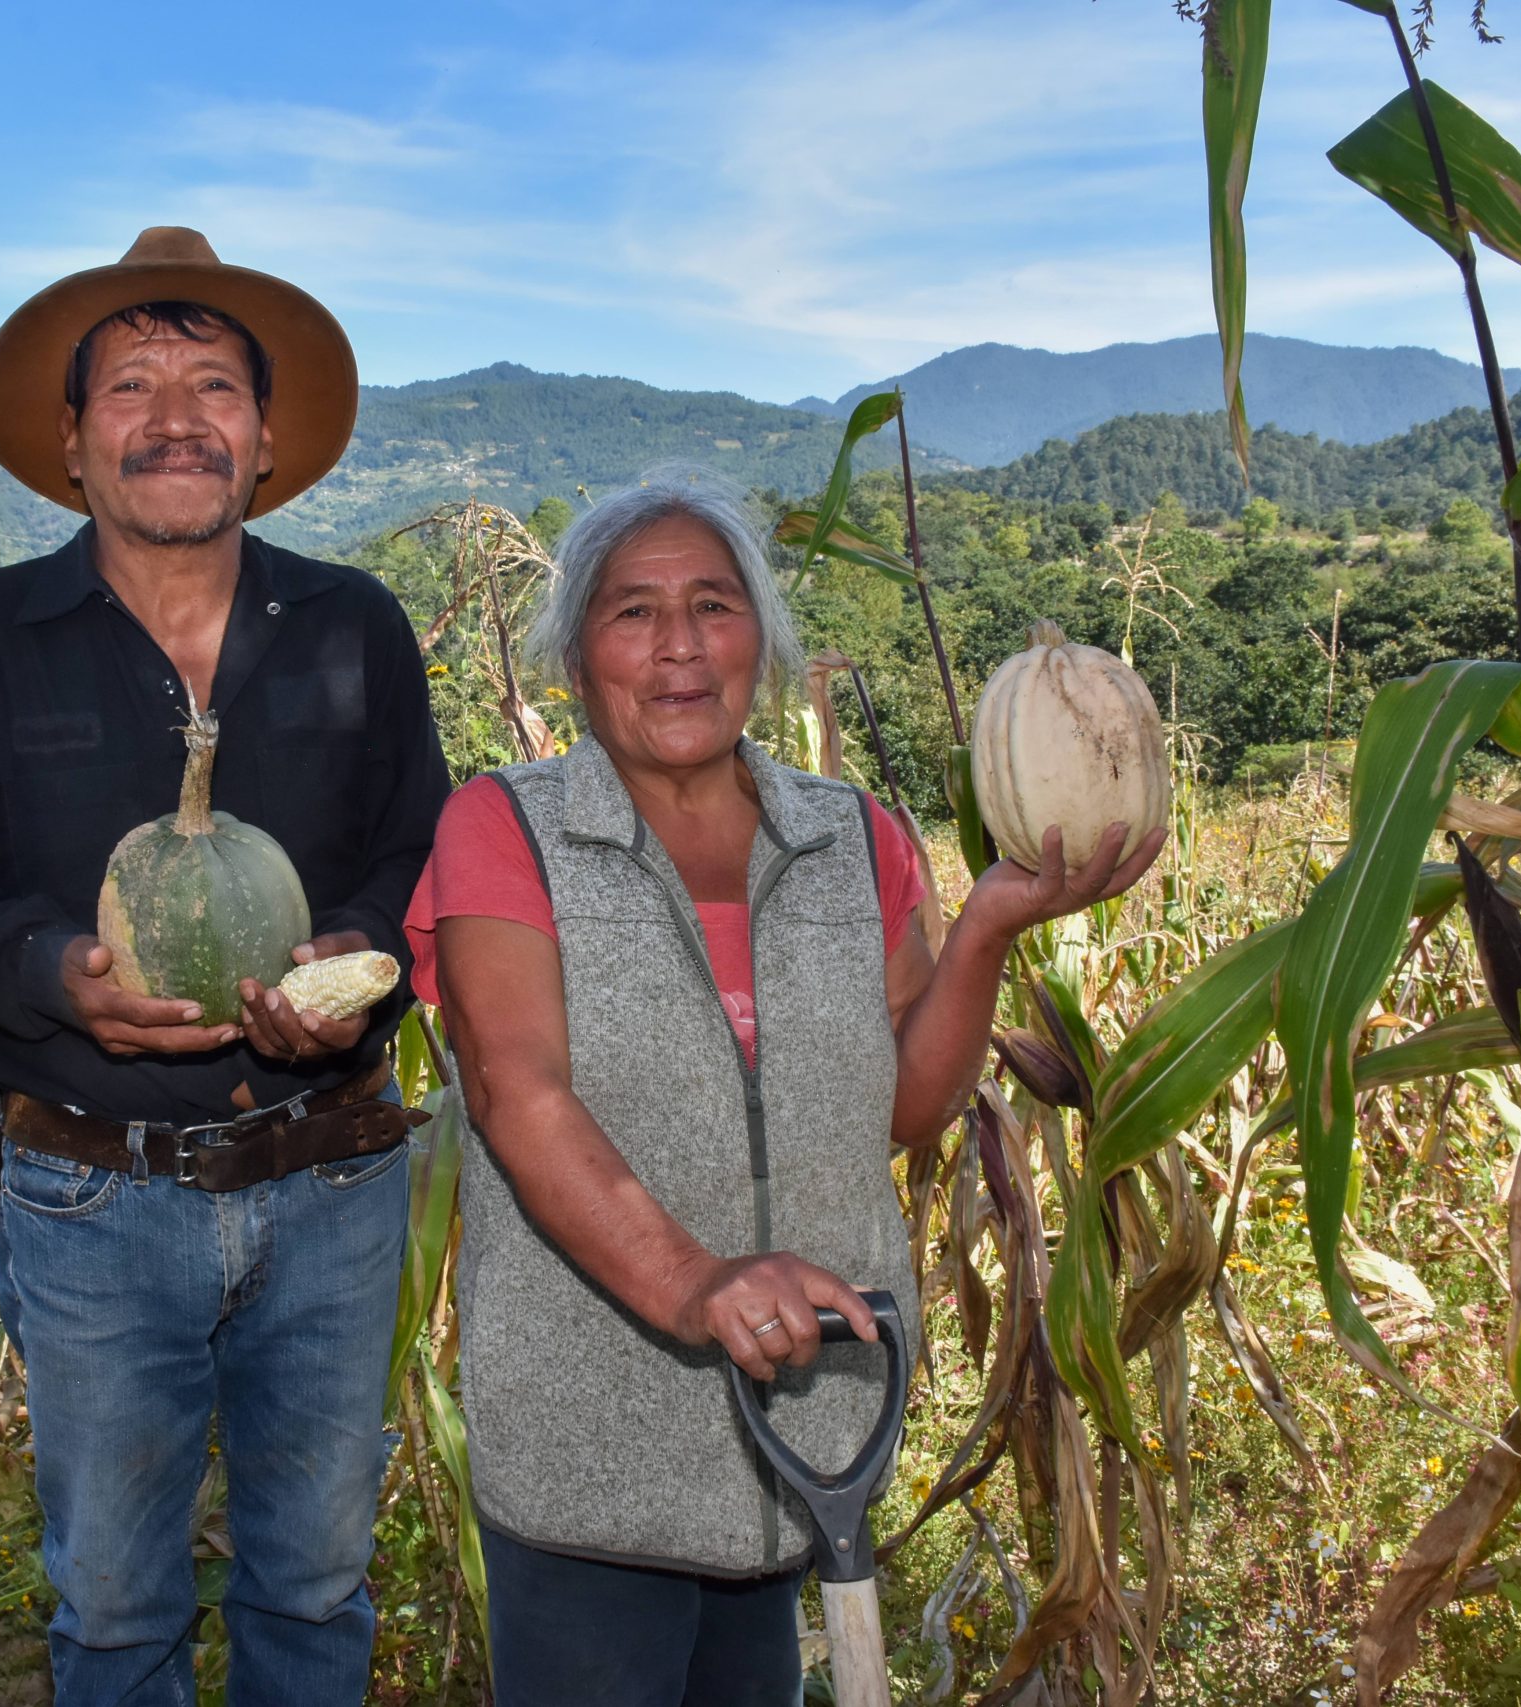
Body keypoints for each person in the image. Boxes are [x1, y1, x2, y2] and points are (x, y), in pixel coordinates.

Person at [405, 470, 1161, 1704]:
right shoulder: (505, 827)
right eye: (632, 614)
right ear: (576, 654)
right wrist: (696, 1282)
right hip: (593, 1442)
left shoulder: (849, 836)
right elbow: (516, 1091)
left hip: (799, 1430)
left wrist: (983, 933)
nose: (678, 649)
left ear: (761, 635)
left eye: (713, 605)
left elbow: (903, 1114)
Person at [0, 227, 449, 1707]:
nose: (175, 415)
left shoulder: (355, 629)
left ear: (266, 434)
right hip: (91, 1195)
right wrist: (53, 969)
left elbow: (430, 870)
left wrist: (360, 958)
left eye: (214, 383)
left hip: (334, 1181)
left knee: (314, 1582)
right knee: (113, 1608)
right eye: (131, 383)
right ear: (69, 436)